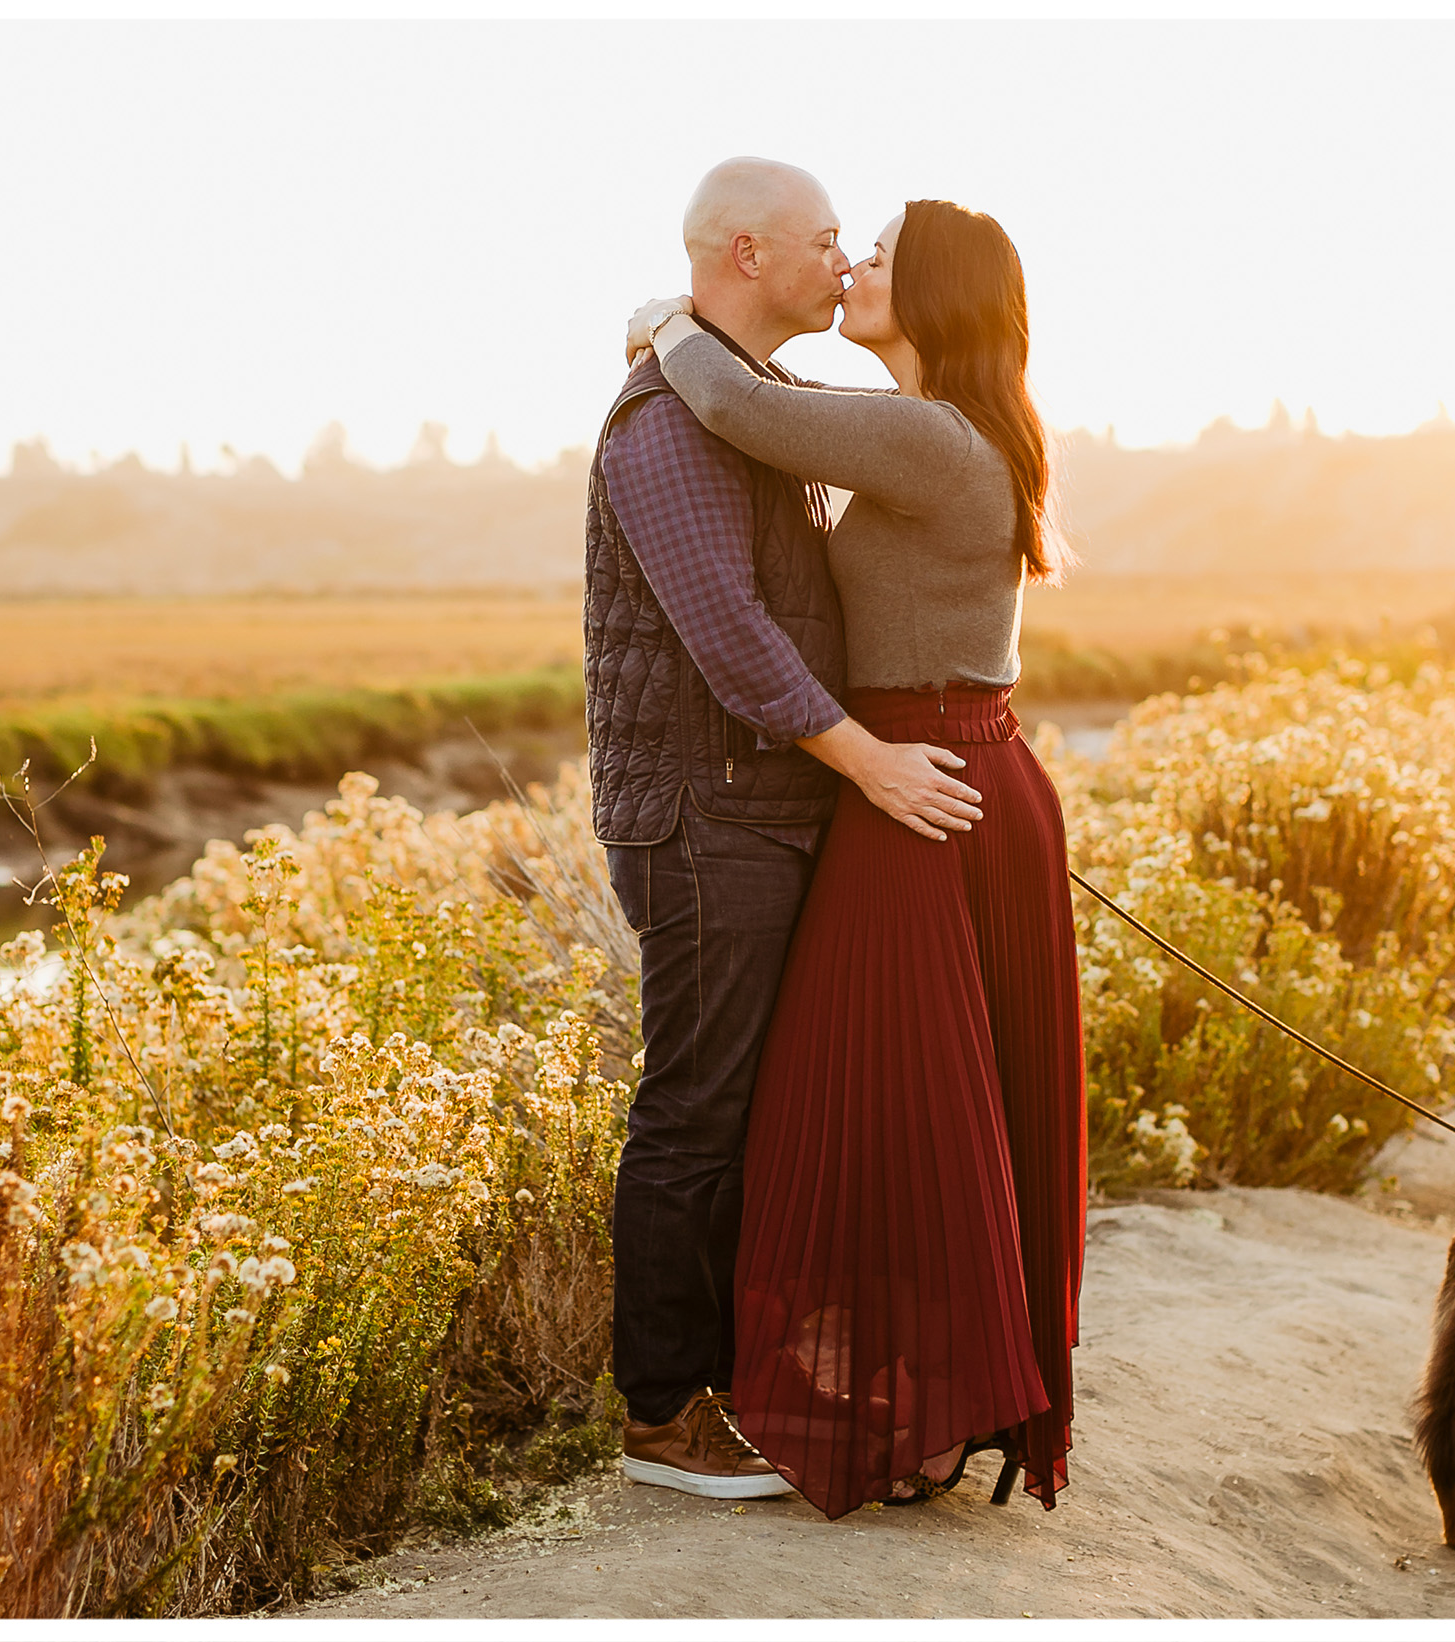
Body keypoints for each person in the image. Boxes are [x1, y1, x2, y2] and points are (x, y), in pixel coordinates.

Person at [628, 197, 1086, 1519]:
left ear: (933, 293)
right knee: (926, 1102)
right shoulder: (943, 430)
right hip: (948, 776)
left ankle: (908, 1406)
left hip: (921, 788)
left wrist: (666, 319)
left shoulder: (924, 434)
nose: (859, 266)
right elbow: (773, 403)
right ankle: (923, 1402)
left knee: (882, 1099)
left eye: (881, 254)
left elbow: (742, 407)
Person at [586, 158, 985, 1501]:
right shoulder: (661, 426)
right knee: (697, 1106)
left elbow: (779, 428)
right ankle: (660, 1413)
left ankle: (741, 1379)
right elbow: (730, 638)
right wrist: (870, 763)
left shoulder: (753, 409)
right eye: (826, 243)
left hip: (769, 809)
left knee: (755, 1104)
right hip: (704, 814)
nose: (844, 264)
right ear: (748, 254)